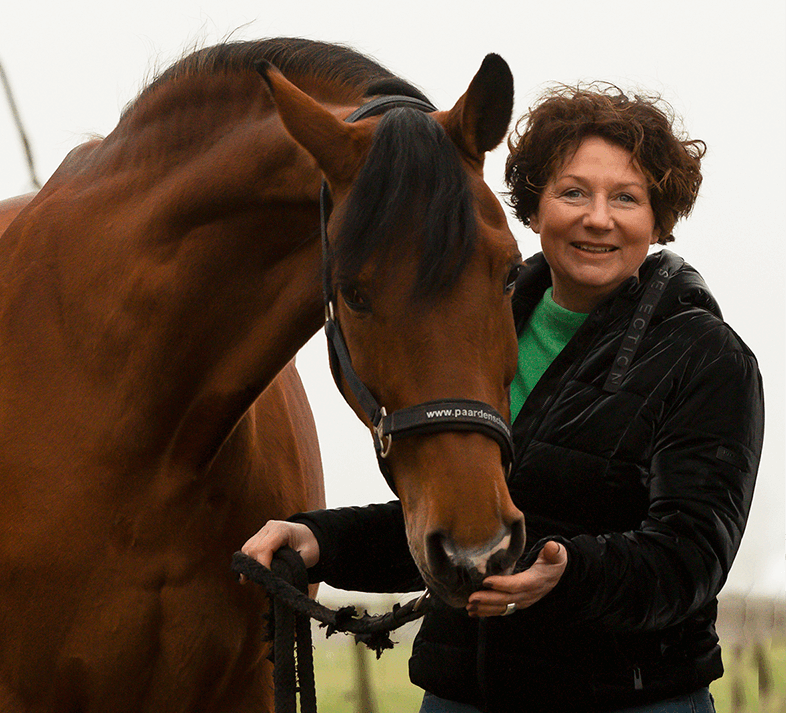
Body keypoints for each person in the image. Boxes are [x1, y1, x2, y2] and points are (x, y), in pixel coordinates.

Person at [242, 83, 764, 712]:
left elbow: (690, 558)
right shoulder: (484, 331)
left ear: (658, 219)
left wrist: (567, 573)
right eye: (573, 192)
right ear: (533, 205)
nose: (598, 217)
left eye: (625, 198)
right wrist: (323, 541)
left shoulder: (707, 359)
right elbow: (465, 519)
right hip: (464, 696)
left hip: (630, 701)